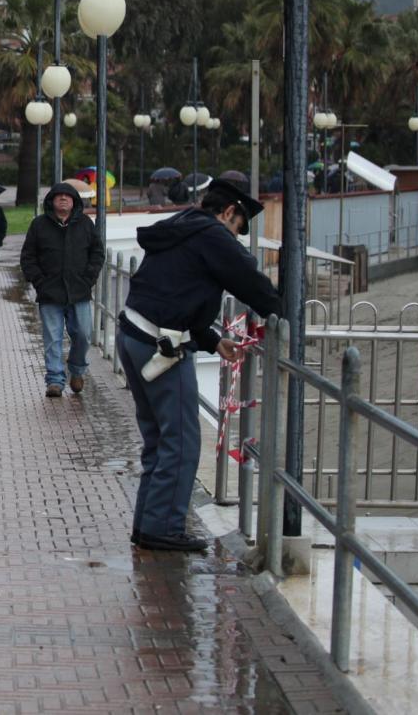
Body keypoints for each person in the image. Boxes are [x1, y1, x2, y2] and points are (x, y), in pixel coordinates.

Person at [118, 179, 281, 552]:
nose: (236, 236)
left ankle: (148, 524)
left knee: (158, 439)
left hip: (134, 334)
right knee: (182, 441)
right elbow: (250, 281)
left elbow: (176, 289)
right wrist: (286, 314)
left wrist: (211, 340)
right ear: (229, 212)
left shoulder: (183, 224)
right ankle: (163, 528)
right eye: (238, 227)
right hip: (161, 346)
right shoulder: (213, 234)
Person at [19, 182, 105, 399]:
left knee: (83, 334)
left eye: (68, 196)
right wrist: (39, 281)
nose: (64, 198)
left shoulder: (85, 224)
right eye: (59, 196)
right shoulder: (39, 225)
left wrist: (88, 279)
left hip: (79, 291)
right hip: (50, 293)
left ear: (74, 201)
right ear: (52, 201)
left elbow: (97, 253)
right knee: (52, 338)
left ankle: (77, 370)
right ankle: (55, 380)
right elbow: (28, 257)